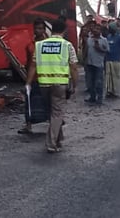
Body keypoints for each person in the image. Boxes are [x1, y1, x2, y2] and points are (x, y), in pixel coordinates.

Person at [25, 18, 79, 153]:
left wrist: (28, 83)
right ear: (64, 31)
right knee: (57, 112)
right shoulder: (67, 45)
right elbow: (74, 67)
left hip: (43, 84)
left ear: (51, 29)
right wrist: (74, 84)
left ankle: (59, 138)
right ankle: (51, 143)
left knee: (52, 112)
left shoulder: (40, 45)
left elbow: (33, 65)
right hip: (60, 84)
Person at [19, 19, 49, 135]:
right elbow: (29, 63)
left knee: (48, 101)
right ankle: (28, 125)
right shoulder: (30, 45)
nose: (38, 30)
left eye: (41, 28)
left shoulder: (48, 44)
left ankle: (53, 123)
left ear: (44, 30)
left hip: (46, 78)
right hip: (33, 78)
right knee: (29, 102)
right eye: (37, 28)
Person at [84, 22, 108, 105]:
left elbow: (106, 51)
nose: (96, 30)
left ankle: (100, 98)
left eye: (98, 29)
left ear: (100, 31)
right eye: (95, 28)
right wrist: (84, 59)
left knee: (98, 82)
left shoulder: (104, 40)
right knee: (90, 82)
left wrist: (99, 48)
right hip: (89, 63)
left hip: (98, 64)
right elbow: (87, 49)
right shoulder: (89, 39)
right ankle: (92, 97)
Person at [105, 22, 120, 98]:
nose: (109, 30)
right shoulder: (108, 37)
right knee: (108, 75)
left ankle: (115, 91)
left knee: (116, 76)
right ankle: (109, 91)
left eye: (110, 28)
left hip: (116, 59)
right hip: (108, 59)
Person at [78, 15, 95, 85]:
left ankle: (93, 84)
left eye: (91, 18)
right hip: (85, 48)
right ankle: (88, 85)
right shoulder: (84, 27)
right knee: (87, 66)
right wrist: (79, 44)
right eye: (88, 18)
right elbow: (80, 37)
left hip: (94, 49)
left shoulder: (95, 27)